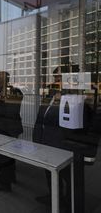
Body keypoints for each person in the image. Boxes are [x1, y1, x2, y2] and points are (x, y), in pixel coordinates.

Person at [33, 66, 98, 213]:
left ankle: (71, 203)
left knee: (69, 177)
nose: (57, 80)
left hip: (63, 143)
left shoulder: (77, 95)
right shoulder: (50, 90)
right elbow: (41, 114)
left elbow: (87, 117)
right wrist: (37, 138)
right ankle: (54, 197)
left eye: (61, 78)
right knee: (49, 172)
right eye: (55, 77)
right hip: (46, 140)